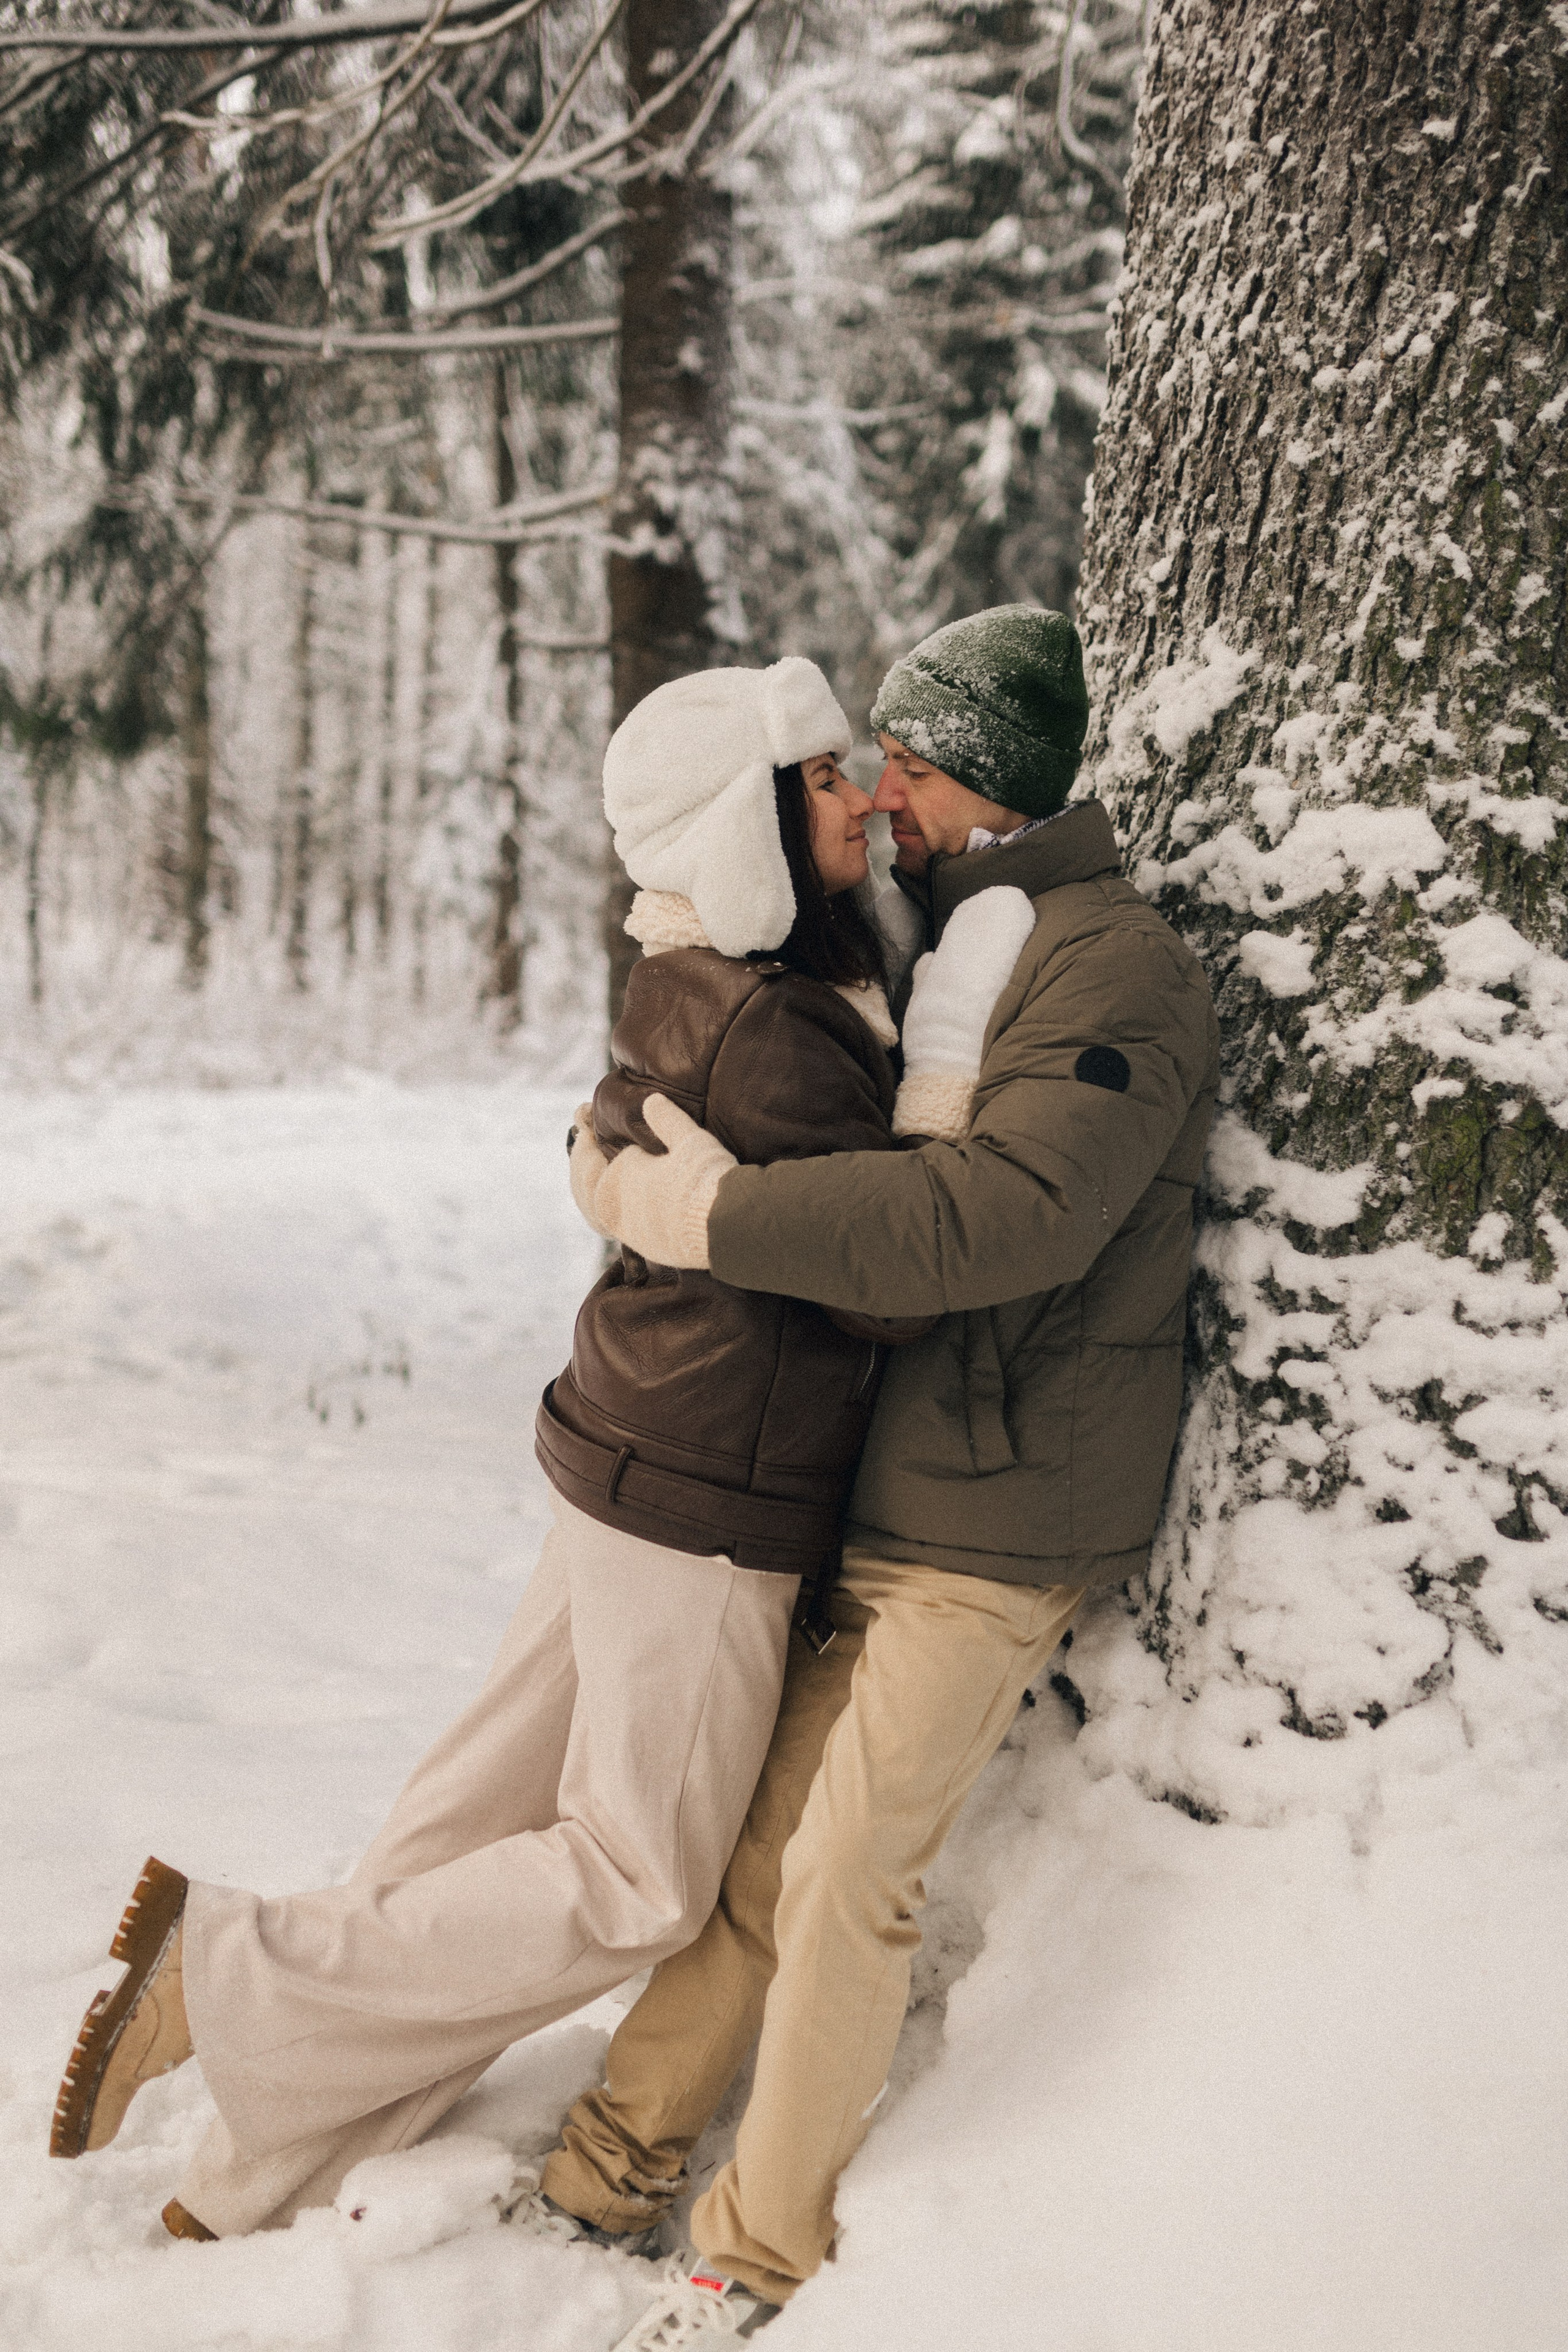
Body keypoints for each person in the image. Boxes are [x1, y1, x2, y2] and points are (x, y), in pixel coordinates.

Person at [47, 654, 1029, 2247]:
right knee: (637, 1878)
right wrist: (944, 1103)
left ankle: (254, 2176)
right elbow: (891, 1285)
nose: (864, 800)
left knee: (467, 1836)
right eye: (828, 777)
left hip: (633, 1451)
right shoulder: (784, 1029)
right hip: (714, 1490)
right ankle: (218, 1968)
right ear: (748, 825)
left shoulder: (701, 974)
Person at [548, 605, 1222, 2346]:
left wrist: (709, 1218)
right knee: (760, 1852)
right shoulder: (949, 938)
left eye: (908, 770)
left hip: (1006, 1505)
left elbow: (1004, 1217)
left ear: (988, 784)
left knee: (851, 1864)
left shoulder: (1110, 965)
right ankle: (610, 2163)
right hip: (892, 1474)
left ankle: (754, 2249)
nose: (881, 800)